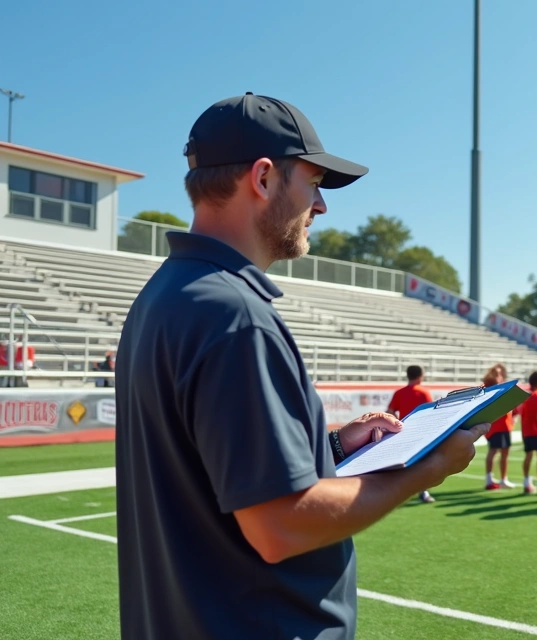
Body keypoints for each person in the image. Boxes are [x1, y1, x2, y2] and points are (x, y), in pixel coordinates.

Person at [114, 93, 487, 640]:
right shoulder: (233, 313)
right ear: (263, 178)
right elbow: (279, 525)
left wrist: (332, 447)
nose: (321, 205)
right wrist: (427, 468)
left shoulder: (165, 297)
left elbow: (217, 466)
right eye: (312, 183)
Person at [388, 365, 436, 503]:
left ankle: (400, 491)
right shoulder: (423, 392)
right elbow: (432, 413)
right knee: (422, 462)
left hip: (403, 431)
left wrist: (396, 423)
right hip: (420, 432)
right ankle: (423, 491)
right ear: (420, 376)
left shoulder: (399, 393)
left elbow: (390, 411)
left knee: (403, 463)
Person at [483, 363, 517, 490]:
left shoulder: (504, 387)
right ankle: (489, 478)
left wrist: (514, 418)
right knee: (493, 451)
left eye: (501, 373)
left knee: (505, 453)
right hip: (496, 425)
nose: (500, 376)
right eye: (497, 373)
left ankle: (503, 478)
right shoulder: (489, 389)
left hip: (505, 425)